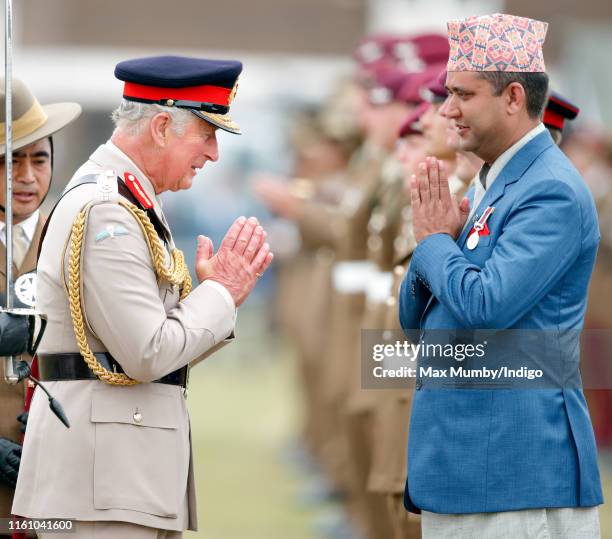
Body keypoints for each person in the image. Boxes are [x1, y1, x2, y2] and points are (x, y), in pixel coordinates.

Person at [12, 55, 273, 539]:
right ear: (160, 126)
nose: (214, 153)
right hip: (101, 484)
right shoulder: (110, 212)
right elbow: (147, 352)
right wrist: (220, 292)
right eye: (207, 134)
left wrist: (219, 298)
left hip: (112, 478)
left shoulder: (129, 201)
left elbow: (150, 346)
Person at [399, 13, 602, 538]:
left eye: (463, 94)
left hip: (515, 470)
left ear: (513, 97)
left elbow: (485, 308)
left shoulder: (548, 190)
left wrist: (434, 242)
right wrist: (438, 245)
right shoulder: (499, 181)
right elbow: (415, 321)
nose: (447, 109)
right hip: (473, 465)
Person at [0, 77, 80, 536]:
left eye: (39, 158)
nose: (28, 177)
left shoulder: (75, 238)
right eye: (11, 161)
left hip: (58, 474)